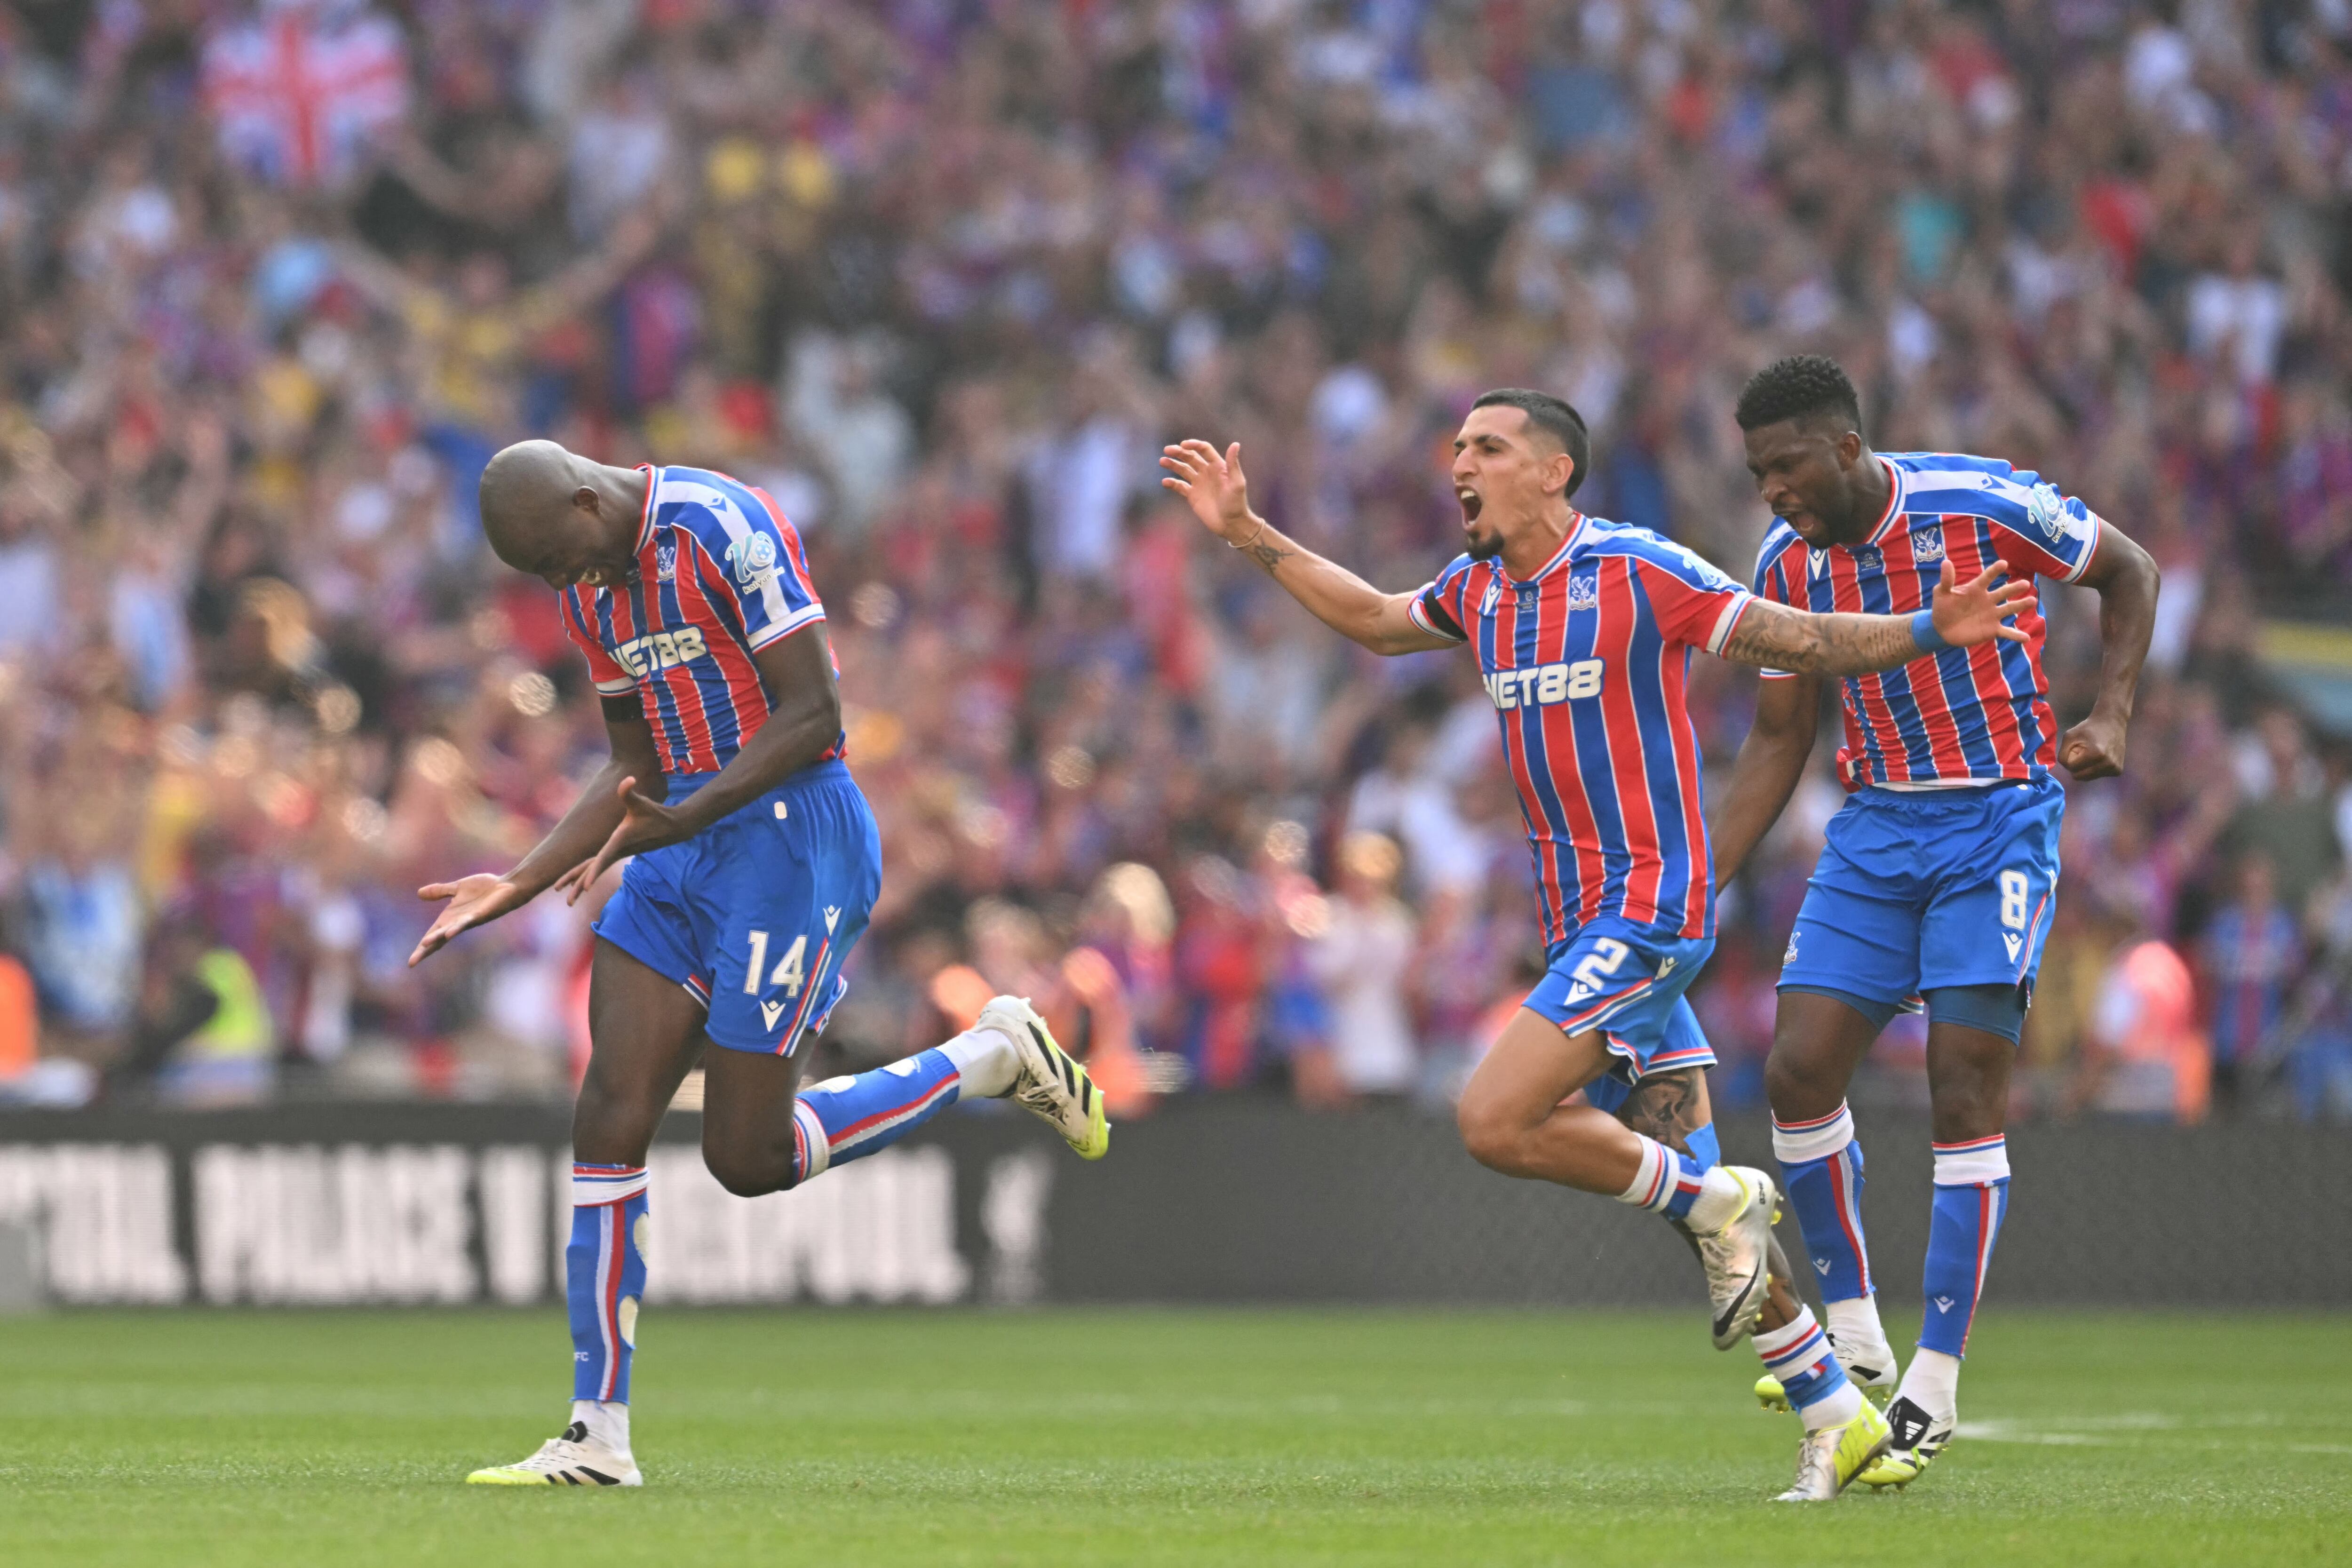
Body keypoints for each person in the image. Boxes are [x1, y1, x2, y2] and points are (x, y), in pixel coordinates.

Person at [1161, 388, 2036, 1501]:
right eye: (1458, 448)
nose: (1460, 465)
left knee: (1495, 1117)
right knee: (1693, 1211)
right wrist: (1245, 529)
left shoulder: (1639, 569)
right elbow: (1378, 618)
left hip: (1649, 911)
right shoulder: (1480, 590)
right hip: (1577, 921)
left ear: (1552, 472)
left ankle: (1721, 1200)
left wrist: (1926, 627)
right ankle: (1835, 1412)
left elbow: (1800, 638)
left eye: (1487, 447)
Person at [409, 441, 1109, 1487]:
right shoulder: (588, 578)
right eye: (549, 577)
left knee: (748, 1157)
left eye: (567, 561)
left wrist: (688, 812)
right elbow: (633, 761)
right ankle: (597, 1431)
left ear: (590, 500)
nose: (569, 588)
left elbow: (815, 714)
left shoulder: (721, 524)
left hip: (791, 843)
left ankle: (991, 1057)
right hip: (678, 842)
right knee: (608, 1109)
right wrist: (518, 877)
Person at [1710, 356, 2160, 1491]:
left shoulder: (1981, 503)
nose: (1770, 489)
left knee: (1964, 1082)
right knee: (1798, 1068)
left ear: (1848, 448)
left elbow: (2130, 569)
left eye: (1785, 463)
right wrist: (1700, 879)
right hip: (1873, 830)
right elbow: (1778, 739)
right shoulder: (1785, 563)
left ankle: (1934, 1380)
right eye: (1757, 471)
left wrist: (2110, 706)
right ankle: (1855, 1331)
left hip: (1998, 820)